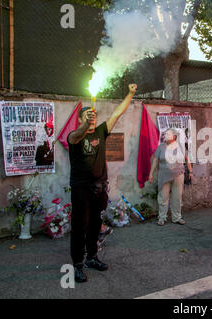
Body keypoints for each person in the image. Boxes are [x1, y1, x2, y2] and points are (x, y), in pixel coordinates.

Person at [67, 83, 137, 283]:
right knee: (80, 227)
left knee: (95, 226)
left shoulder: (100, 132)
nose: (92, 118)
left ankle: (91, 257)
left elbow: (117, 113)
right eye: (87, 116)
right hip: (81, 190)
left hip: (99, 189)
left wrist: (130, 94)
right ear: (80, 119)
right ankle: (78, 265)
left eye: (93, 116)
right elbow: (75, 136)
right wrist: (84, 125)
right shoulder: (75, 136)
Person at [149, 128, 193, 226]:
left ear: (174, 136)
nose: (166, 136)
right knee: (163, 197)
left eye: (168, 134)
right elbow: (155, 160)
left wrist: (190, 171)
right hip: (163, 176)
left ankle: (176, 217)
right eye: (165, 134)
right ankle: (162, 218)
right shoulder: (161, 147)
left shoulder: (181, 147)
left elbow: (187, 159)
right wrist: (151, 173)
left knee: (177, 197)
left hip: (178, 175)